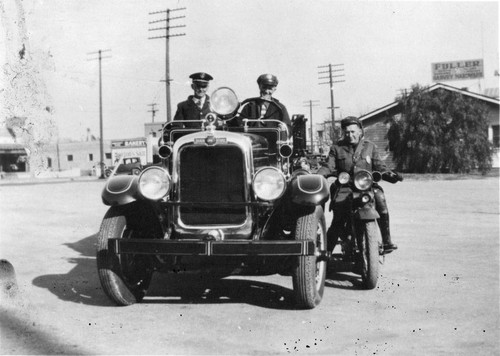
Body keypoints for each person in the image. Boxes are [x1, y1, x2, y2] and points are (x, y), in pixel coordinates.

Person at [317, 116, 398, 254]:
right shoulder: (337, 148)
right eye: (347, 132)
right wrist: (318, 175)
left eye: (353, 131)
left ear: (360, 131)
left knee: (380, 199)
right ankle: (326, 253)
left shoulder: (370, 147)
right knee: (339, 217)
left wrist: (390, 174)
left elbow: (379, 165)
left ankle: (386, 240)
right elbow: (328, 166)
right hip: (345, 187)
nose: (350, 135)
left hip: (366, 186)